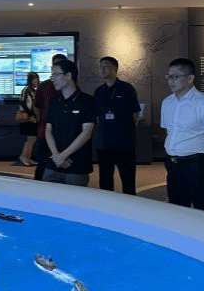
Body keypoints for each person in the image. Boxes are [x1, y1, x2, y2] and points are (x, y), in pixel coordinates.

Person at [161, 58, 204, 212]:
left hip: (195, 165)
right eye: (169, 77)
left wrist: (200, 152)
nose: (171, 81)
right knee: (177, 210)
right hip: (172, 164)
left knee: (203, 211)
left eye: (175, 77)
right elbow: (168, 131)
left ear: (190, 78)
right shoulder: (167, 103)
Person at [43, 59, 95, 186]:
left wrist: (63, 156)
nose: (52, 79)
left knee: (75, 197)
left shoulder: (87, 101)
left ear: (68, 75)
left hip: (76, 165)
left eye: (56, 74)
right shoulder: (54, 101)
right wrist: (56, 155)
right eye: (51, 75)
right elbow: (48, 130)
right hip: (53, 163)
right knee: (47, 196)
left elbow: (86, 133)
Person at [93, 57, 141, 194]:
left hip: (124, 143)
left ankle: (130, 206)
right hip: (104, 143)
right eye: (101, 66)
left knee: (128, 180)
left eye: (106, 66)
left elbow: (135, 114)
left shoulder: (127, 89)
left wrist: (125, 130)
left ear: (115, 69)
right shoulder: (99, 91)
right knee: (105, 181)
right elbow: (97, 116)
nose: (102, 69)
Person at [33, 53, 67, 180]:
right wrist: (41, 120)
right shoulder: (44, 86)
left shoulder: (70, 86)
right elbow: (36, 106)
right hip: (44, 131)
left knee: (62, 162)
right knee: (42, 163)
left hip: (64, 133)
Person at [18, 71, 39, 166]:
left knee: (32, 139)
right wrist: (30, 113)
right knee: (30, 139)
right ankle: (24, 156)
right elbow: (23, 102)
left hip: (32, 116)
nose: (35, 81)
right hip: (28, 116)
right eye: (34, 79)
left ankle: (27, 157)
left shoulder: (34, 90)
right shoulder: (26, 89)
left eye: (36, 79)